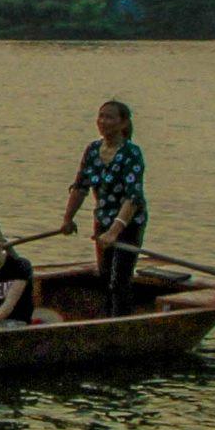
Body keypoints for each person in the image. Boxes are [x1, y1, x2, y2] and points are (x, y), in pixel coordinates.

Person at [62, 98, 147, 317]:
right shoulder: (92, 150)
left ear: (123, 123)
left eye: (109, 117)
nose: (103, 121)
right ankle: (108, 316)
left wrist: (114, 231)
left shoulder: (131, 153)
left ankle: (122, 321)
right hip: (103, 218)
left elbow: (133, 198)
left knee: (120, 279)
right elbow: (81, 186)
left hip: (128, 222)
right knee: (104, 275)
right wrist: (68, 219)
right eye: (101, 116)